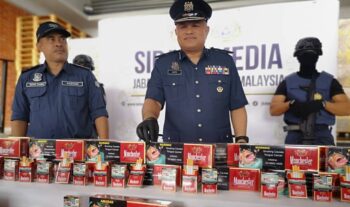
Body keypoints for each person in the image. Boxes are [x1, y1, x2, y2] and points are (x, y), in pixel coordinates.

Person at [136, 0, 248, 144]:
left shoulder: (225, 61)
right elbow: (153, 100)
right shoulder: (163, 64)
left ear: (206, 30)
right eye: (183, 26)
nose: (189, 31)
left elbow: (237, 105)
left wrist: (241, 139)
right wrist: (149, 118)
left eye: (195, 25)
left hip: (219, 151)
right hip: (176, 151)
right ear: (176, 32)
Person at [11, 21, 109, 139]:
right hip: (38, 152)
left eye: (62, 39)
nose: (59, 44)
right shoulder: (26, 78)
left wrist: (104, 148)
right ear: (39, 46)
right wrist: (17, 153)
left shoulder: (85, 76)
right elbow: (20, 117)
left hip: (79, 152)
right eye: (51, 39)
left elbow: (99, 113)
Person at [270, 37, 350, 145]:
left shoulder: (330, 81)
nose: (308, 59)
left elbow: (346, 109)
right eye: (304, 55)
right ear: (297, 57)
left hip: (322, 136)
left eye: (312, 55)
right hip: (295, 136)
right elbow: (274, 109)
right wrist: (291, 104)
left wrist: (322, 104)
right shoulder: (288, 82)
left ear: (317, 57)